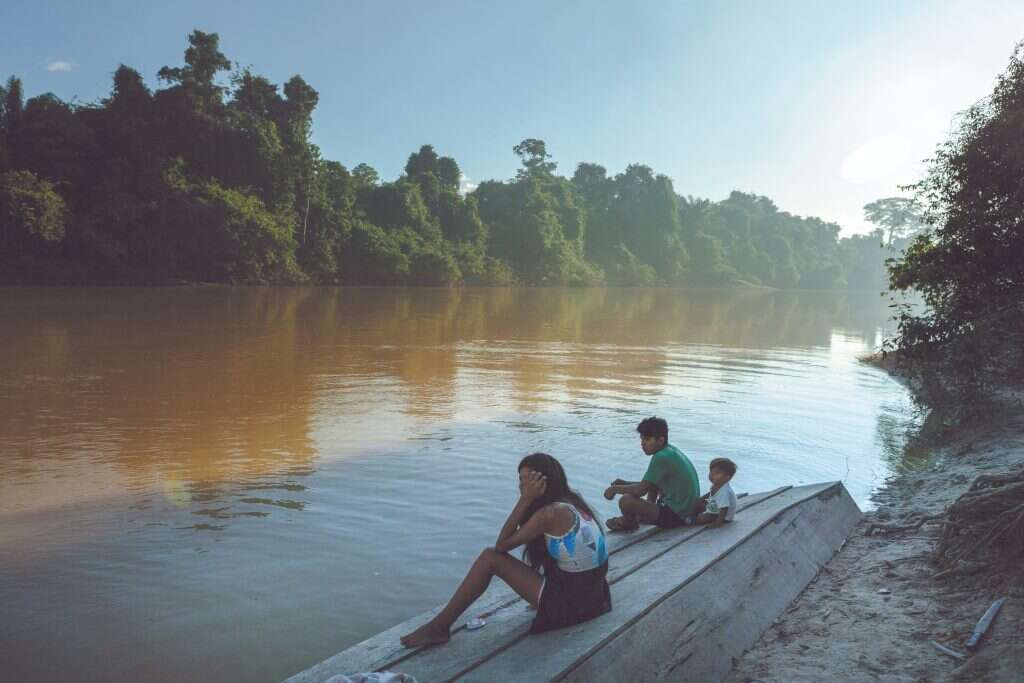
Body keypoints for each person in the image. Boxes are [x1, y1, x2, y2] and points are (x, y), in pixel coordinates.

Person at [400, 452, 611, 647]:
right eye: (521, 480)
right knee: (494, 557)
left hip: (573, 606)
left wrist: (525, 498)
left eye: (527, 480)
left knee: (490, 558)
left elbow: (501, 545)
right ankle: (439, 627)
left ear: (542, 482)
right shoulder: (570, 500)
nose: (521, 486)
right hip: (595, 596)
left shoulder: (551, 513)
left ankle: (439, 628)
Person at [603, 416, 701, 532]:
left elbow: (640, 491)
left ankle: (629, 522)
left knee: (626, 500)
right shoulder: (669, 451)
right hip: (685, 510)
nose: (643, 444)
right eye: (642, 439)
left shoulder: (661, 457)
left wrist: (615, 489)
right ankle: (645, 514)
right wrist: (625, 483)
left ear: (660, 440)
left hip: (677, 516)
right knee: (651, 484)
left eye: (647, 440)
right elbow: (650, 484)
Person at [688, 457, 738, 528]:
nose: (712, 475)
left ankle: (693, 520)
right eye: (711, 472)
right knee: (698, 504)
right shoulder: (717, 484)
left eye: (717, 473)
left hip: (723, 516)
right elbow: (710, 493)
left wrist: (717, 523)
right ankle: (695, 515)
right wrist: (702, 498)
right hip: (715, 507)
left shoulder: (725, 492)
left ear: (727, 477)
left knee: (703, 517)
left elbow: (724, 509)